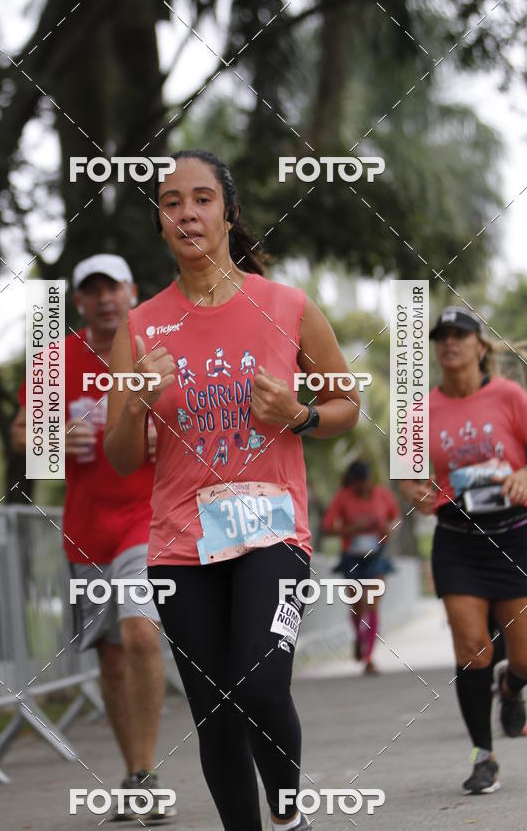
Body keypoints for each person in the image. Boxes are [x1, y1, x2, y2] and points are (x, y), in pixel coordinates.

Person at [103, 149, 361, 831]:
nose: (186, 212)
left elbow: (345, 405)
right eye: (170, 202)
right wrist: (135, 400)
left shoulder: (287, 307)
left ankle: (287, 816)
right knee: (213, 707)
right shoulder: (140, 326)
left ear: (228, 212)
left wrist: (300, 416)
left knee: (259, 684)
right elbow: (123, 457)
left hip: (272, 531)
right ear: (159, 222)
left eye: (201, 198)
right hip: (180, 544)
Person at [11, 254, 175, 823]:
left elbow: (204, 414)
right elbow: (24, 435)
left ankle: (150, 768)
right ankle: (136, 773)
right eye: (93, 291)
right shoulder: (55, 362)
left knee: (139, 635)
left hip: (147, 521)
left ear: (133, 291)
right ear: (79, 301)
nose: (105, 299)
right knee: (109, 657)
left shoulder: (157, 351)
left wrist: (163, 430)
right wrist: (53, 436)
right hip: (86, 531)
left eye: (115, 288)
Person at [399, 305, 527, 795]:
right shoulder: (420, 410)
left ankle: (511, 688)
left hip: (515, 534)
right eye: (442, 336)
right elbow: (408, 474)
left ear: (480, 346)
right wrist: (414, 491)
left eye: (460, 334)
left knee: (523, 655)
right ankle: (483, 756)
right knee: (473, 647)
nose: (449, 342)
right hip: (458, 538)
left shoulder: (510, 396)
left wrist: (521, 475)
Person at [321, 459, 400, 674]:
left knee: (372, 603)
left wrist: (388, 528)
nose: (364, 488)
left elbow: (395, 518)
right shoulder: (342, 497)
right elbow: (327, 527)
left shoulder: (383, 494)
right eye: (359, 485)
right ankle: (358, 637)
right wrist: (350, 529)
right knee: (357, 604)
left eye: (366, 483)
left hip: (377, 555)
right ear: (352, 483)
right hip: (352, 557)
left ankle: (368, 657)